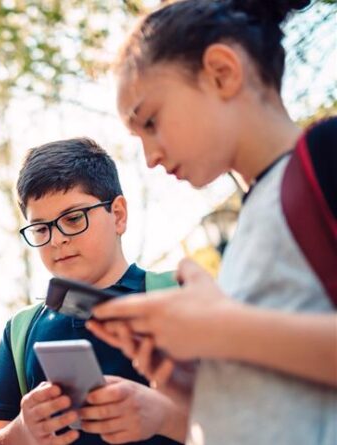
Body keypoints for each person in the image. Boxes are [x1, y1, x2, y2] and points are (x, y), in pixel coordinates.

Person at [87, 1, 337, 444]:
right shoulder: (251, 222)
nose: (150, 157)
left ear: (222, 72)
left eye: (151, 121)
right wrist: (198, 387)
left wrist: (220, 330)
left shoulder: (326, 156)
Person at [0, 138, 186, 445]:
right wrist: (23, 431)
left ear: (118, 215)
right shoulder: (20, 331)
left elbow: (250, 418)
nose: (56, 240)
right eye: (41, 228)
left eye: (73, 219)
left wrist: (163, 415)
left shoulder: (179, 297)